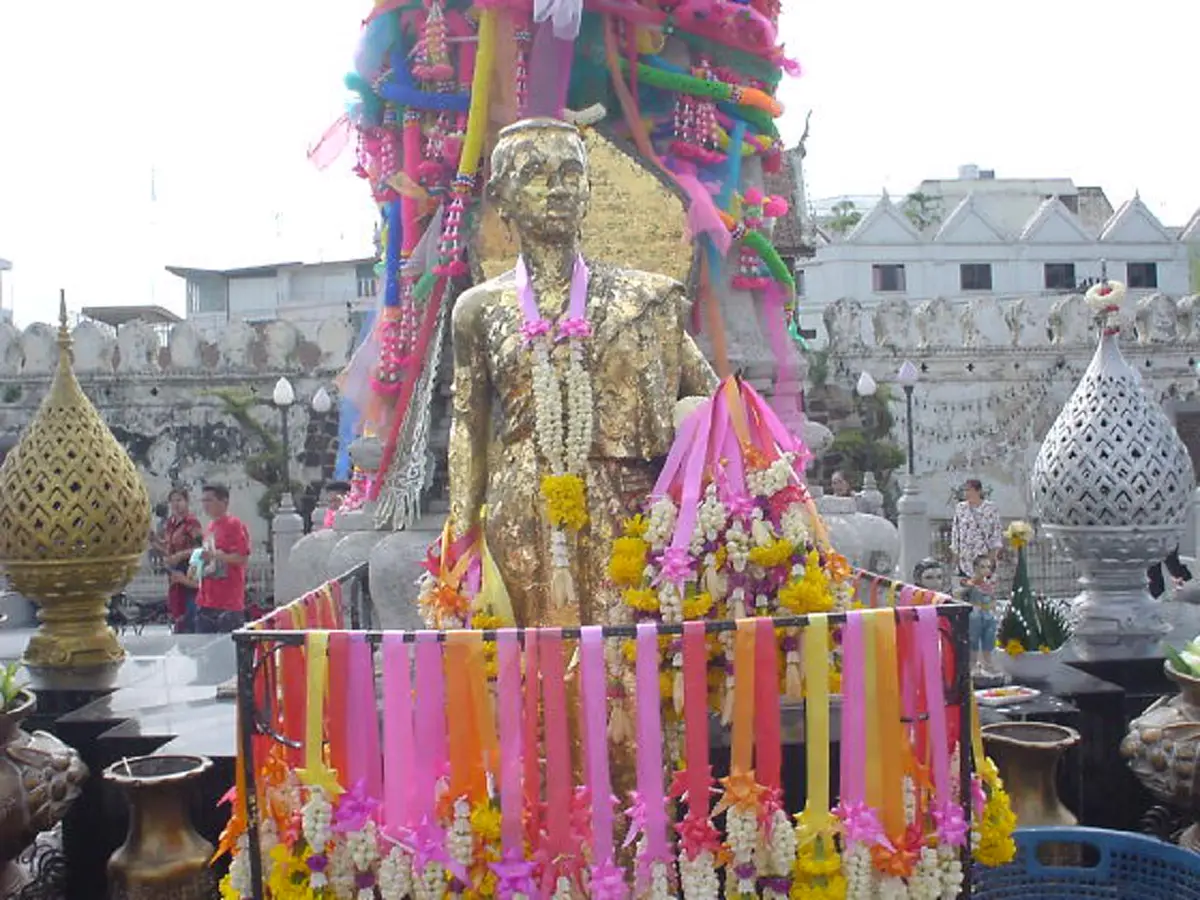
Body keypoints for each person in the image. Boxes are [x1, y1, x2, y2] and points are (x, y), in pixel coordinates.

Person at [445, 117, 717, 628]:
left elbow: (715, 405)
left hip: (630, 507)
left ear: (590, 190)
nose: (558, 189)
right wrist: (462, 540)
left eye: (571, 173)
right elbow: (468, 424)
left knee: (628, 671)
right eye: (536, 174)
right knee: (534, 673)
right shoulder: (477, 309)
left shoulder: (644, 300)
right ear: (502, 199)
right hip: (523, 510)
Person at [193, 483, 252, 633]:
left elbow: (242, 558)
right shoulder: (210, 527)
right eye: (203, 501)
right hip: (206, 600)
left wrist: (217, 555)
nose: (205, 505)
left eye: (209, 500)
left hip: (228, 602)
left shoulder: (234, 525)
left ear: (224, 502)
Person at [152, 488, 203, 633]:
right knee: (178, 608)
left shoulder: (191, 523)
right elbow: (169, 549)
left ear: (187, 502)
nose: (176, 504)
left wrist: (180, 556)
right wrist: (155, 542)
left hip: (190, 567)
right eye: (173, 501)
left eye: (179, 500)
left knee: (190, 606)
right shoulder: (170, 524)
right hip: (175, 571)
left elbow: (200, 549)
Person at [950, 478, 1002, 579]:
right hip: (965, 557)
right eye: (965, 490)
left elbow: (996, 531)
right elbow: (956, 531)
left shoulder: (990, 508)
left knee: (982, 587)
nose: (966, 493)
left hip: (983, 555)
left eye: (969, 490)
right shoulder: (961, 508)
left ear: (978, 491)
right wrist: (955, 553)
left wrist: (992, 555)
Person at [962, 553, 999, 677]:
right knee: (974, 639)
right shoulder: (969, 584)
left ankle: (988, 664)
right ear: (975, 568)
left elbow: (993, 599)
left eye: (988, 567)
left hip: (988, 615)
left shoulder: (989, 585)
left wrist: (994, 609)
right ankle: (973, 664)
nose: (986, 570)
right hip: (975, 614)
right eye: (983, 567)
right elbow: (960, 596)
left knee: (989, 639)